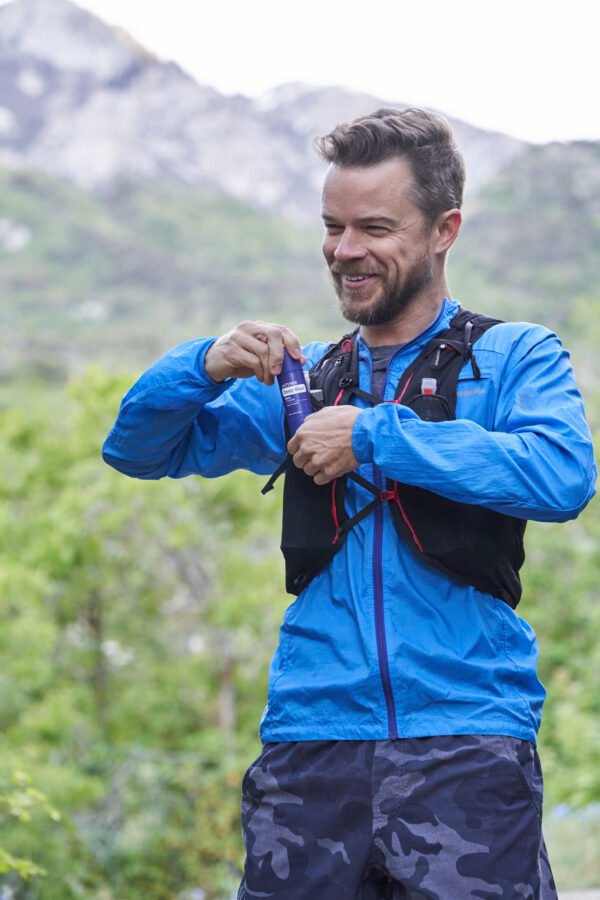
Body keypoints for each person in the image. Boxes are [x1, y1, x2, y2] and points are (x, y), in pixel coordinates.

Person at [103, 108, 596, 898]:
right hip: (309, 743)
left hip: (466, 741)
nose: (344, 251)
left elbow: (563, 474)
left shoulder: (513, 355)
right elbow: (137, 449)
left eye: (373, 226)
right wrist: (202, 363)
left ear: (445, 230)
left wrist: (375, 436)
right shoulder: (303, 380)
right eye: (332, 227)